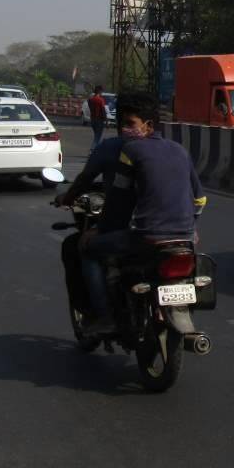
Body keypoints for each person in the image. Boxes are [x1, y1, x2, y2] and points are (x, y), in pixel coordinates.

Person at [80, 92, 206, 334]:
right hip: (185, 239)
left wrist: (98, 230)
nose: (124, 130)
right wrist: (192, 225)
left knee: (88, 250)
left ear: (148, 126)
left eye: (130, 124)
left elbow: (119, 201)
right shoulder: (180, 150)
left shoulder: (131, 152)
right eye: (121, 124)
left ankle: (105, 317)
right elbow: (200, 198)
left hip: (147, 237)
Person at [54, 93, 138, 321]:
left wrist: (69, 198)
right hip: (177, 231)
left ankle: (102, 316)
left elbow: (94, 185)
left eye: (130, 123)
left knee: (83, 247)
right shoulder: (173, 150)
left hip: (137, 229)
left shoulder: (124, 152)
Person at [87, 85, 107, 153]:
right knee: (97, 136)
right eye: (101, 91)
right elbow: (103, 110)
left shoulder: (90, 100)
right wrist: (106, 120)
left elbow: (90, 108)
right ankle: (92, 150)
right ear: (100, 91)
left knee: (96, 135)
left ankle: (96, 150)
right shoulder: (101, 100)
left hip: (92, 119)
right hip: (99, 120)